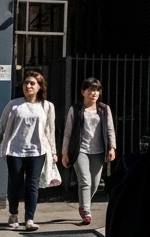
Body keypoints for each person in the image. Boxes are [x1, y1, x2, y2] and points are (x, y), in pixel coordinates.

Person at [0, 70, 57, 231]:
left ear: (39, 87)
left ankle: (30, 219)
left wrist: (54, 152)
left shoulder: (47, 106)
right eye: (26, 83)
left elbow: (50, 131)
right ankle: (13, 213)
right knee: (15, 184)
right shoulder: (14, 104)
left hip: (38, 152)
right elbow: (1, 126)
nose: (28, 86)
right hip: (15, 151)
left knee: (32, 185)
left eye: (32, 83)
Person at [62, 77, 117, 226]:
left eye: (97, 90)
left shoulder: (104, 109)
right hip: (80, 150)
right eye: (90, 90)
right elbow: (67, 133)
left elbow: (110, 129)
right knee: (84, 180)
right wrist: (65, 152)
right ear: (83, 92)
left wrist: (112, 147)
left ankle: (82, 204)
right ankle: (87, 211)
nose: (94, 93)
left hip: (99, 151)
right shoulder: (76, 109)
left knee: (94, 183)